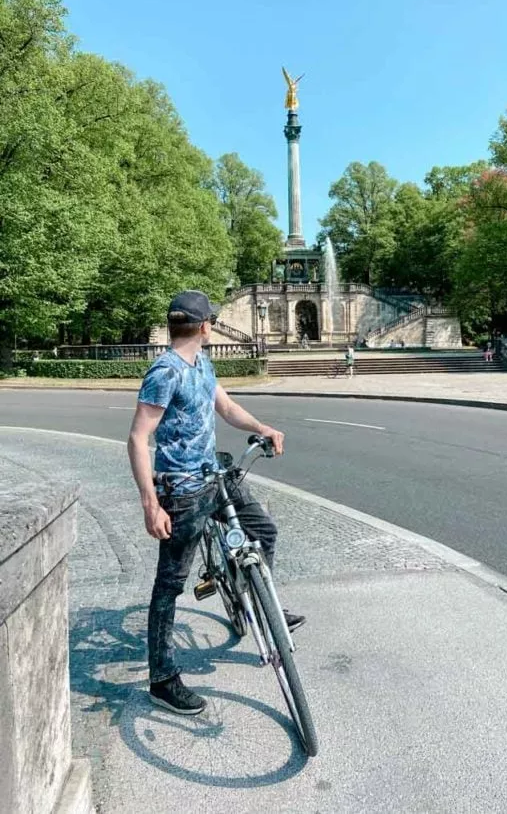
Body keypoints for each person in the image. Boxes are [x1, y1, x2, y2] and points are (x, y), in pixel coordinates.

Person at [127, 290, 305, 717]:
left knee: (263, 532)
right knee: (169, 585)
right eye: (211, 321)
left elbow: (224, 407)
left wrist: (262, 426)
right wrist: (151, 504)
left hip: (215, 476)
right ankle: (162, 679)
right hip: (182, 491)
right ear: (205, 327)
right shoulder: (165, 371)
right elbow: (137, 437)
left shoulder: (203, 364)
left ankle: (262, 603)